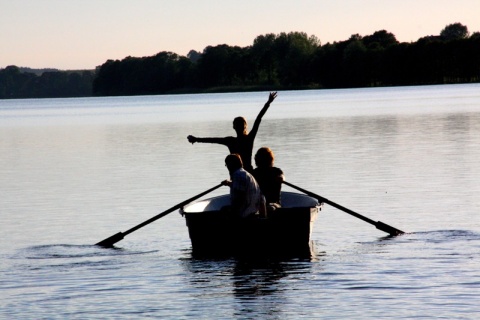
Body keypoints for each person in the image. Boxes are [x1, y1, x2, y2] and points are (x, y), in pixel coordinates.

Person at [188, 92, 277, 173]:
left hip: (247, 173)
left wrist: (268, 103)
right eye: (237, 124)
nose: (238, 126)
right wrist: (196, 139)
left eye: (240, 124)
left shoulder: (246, 139)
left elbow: (258, 119)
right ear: (234, 127)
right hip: (239, 173)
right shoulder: (233, 140)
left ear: (244, 126)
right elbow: (212, 140)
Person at [221, 153, 266, 218]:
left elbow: (239, 196)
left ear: (230, 165)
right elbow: (242, 187)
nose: (227, 167)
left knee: (224, 210)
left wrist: (234, 213)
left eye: (227, 165)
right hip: (253, 212)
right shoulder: (247, 174)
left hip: (244, 214)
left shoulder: (237, 176)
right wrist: (230, 184)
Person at [252, 147, 284, 211]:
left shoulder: (276, 171)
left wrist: (281, 178)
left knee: (270, 208)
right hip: (258, 204)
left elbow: (282, 176)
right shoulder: (254, 173)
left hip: (274, 204)